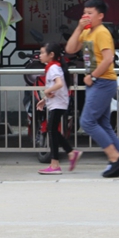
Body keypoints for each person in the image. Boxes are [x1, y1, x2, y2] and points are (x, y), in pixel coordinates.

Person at [65, 0, 119, 177]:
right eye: (84, 13)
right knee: (102, 123)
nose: (85, 16)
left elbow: (109, 59)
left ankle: (115, 158)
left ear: (100, 16)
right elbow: (70, 49)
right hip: (96, 82)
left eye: (89, 13)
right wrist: (79, 28)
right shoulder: (87, 32)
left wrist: (92, 76)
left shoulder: (102, 33)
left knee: (87, 122)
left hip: (102, 81)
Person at [35, 42, 82, 175]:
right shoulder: (53, 67)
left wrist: (46, 92)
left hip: (58, 104)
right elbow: (56, 87)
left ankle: (55, 164)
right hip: (57, 103)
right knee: (53, 130)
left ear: (51, 55)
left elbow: (59, 84)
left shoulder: (54, 68)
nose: (40, 55)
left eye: (42, 53)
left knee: (51, 130)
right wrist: (45, 99)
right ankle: (70, 153)